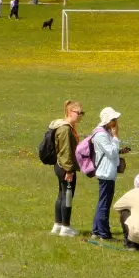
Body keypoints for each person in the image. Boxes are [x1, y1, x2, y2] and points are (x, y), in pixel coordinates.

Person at [89, 107, 126, 241]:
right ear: (107, 120)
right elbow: (111, 152)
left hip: (107, 171)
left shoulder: (105, 132)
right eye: (113, 119)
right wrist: (116, 137)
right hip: (106, 173)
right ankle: (104, 234)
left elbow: (110, 151)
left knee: (102, 202)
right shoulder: (101, 135)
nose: (116, 122)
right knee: (104, 204)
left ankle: (96, 231)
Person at [50, 100, 84, 237]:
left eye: (82, 113)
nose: (80, 115)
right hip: (65, 167)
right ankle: (65, 227)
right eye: (78, 113)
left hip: (60, 166)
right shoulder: (65, 129)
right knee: (67, 196)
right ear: (70, 112)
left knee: (61, 194)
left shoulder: (66, 127)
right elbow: (66, 151)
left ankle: (57, 225)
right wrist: (69, 170)